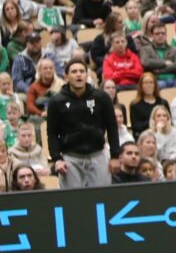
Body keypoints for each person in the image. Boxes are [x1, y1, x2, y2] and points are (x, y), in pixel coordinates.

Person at [46, 59, 120, 189]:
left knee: (102, 197)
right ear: (66, 77)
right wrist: (57, 159)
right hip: (70, 158)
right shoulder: (56, 101)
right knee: (74, 198)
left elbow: (112, 127)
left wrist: (115, 156)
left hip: (98, 155)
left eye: (81, 71)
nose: (78, 74)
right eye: (74, 72)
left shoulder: (101, 97)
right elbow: (52, 133)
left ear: (87, 75)